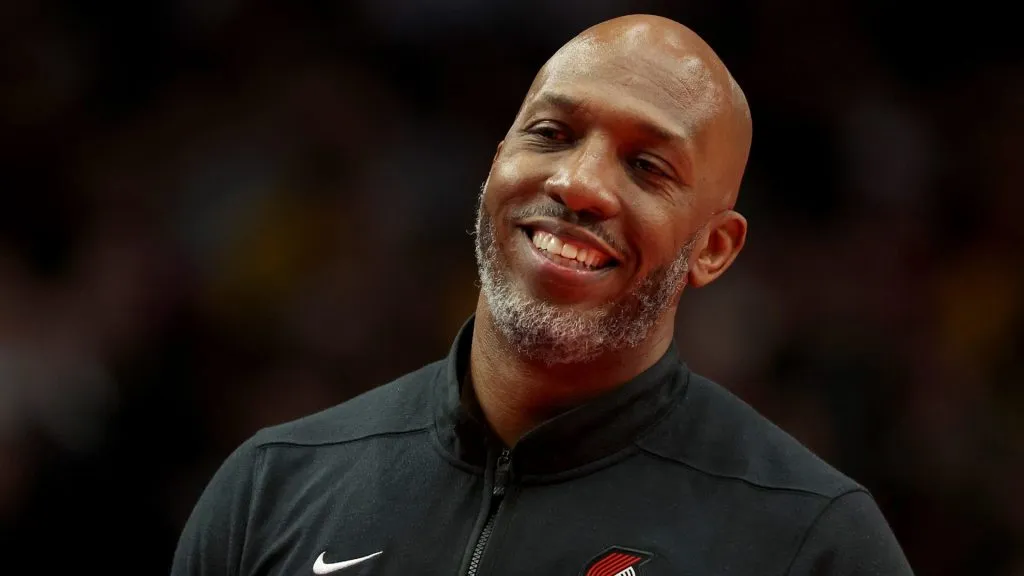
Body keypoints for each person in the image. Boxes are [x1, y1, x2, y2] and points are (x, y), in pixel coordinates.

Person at [171, 14, 914, 576]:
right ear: (497, 164)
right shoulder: (272, 488)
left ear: (712, 249)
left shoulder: (811, 539)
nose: (579, 184)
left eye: (648, 167)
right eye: (552, 133)